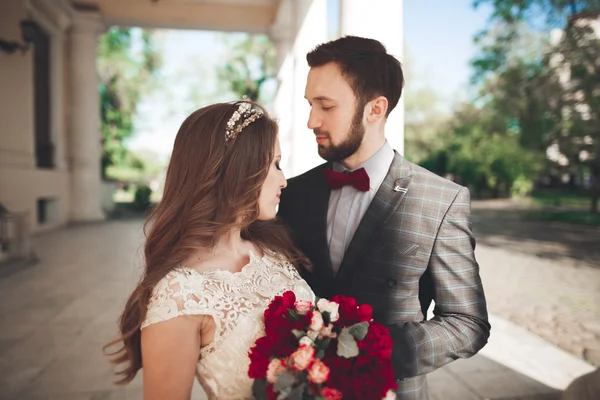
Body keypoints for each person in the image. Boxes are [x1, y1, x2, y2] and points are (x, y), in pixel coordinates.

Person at [278, 35, 491, 400]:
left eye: (326, 106)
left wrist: (370, 353)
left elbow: (467, 323)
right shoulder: (292, 194)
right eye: (310, 104)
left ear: (375, 109)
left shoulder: (442, 200)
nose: (312, 120)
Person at [104, 101, 314, 400]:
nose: (283, 180)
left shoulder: (273, 249)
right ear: (238, 170)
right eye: (275, 164)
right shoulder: (180, 297)